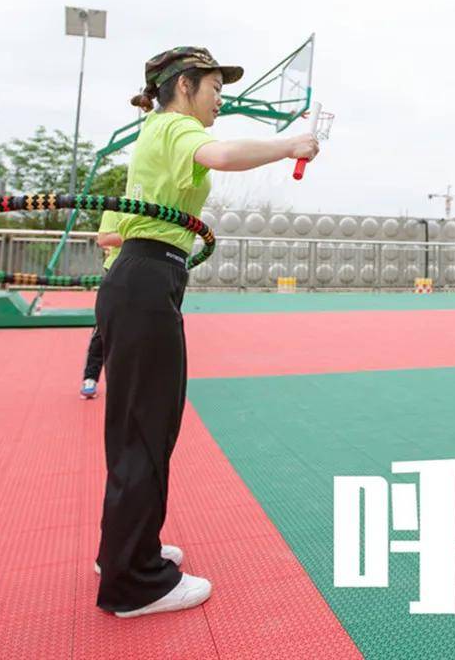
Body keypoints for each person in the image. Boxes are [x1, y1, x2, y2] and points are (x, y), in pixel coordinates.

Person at [94, 46, 319, 618]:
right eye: (215, 88)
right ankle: (134, 582)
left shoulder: (152, 137)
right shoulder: (174, 127)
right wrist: (289, 145)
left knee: (133, 428)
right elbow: (220, 155)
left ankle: (123, 550)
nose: (221, 99)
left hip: (136, 279)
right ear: (185, 86)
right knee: (148, 428)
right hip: (147, 283)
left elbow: (110, 234)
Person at [81, 211, 122, 399]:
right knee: (104, 325)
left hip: (145, 269)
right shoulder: (115, 209)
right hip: (116, 269)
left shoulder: (152, 206)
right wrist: (137, 236)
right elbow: (104, 239)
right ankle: (90, 377)